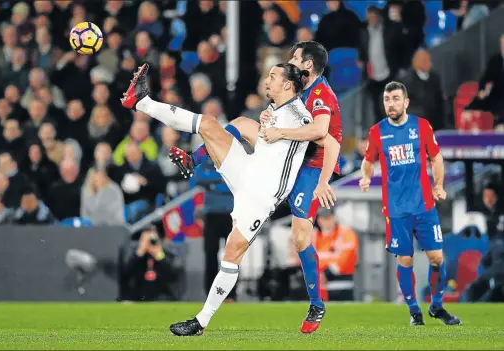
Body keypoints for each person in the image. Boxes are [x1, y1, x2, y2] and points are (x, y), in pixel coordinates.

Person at [121, 62, 314, 336]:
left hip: (261, 195)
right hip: (248, 168)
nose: (266, 80)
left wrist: (280, 132)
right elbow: (257, 136)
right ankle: (142, 103)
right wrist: (264, 127)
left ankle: (201, 321)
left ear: (287, 85)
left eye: (272, 76)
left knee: (232, 253)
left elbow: (316, 132)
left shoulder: (298, 112)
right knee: (211, 124)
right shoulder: (273, 110)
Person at [169, 41, 341, 333]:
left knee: (300, 238)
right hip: (288, 154)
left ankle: (316, 304)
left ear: (308, 65)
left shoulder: (321, 93)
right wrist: (267, 118)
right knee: (238, 123)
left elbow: (322, 132)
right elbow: (280, 116)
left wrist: (321, 178)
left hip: (313, 165)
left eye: (295, 58)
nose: (291, 60)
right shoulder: (293, 87)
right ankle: (193, 159)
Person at [359, 81, 461, 326]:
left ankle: (436, 305)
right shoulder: (377, 132)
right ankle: (414, 310)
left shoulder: (421, 126)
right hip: (396, 209)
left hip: (424, 205)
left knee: (437, 258)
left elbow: (436, 158)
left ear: (405, 102)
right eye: (386, 99)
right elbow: (368, 160)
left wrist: (438, 185)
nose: (390, 104)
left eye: (395, 99)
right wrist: (365, 176)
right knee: (405, 260)